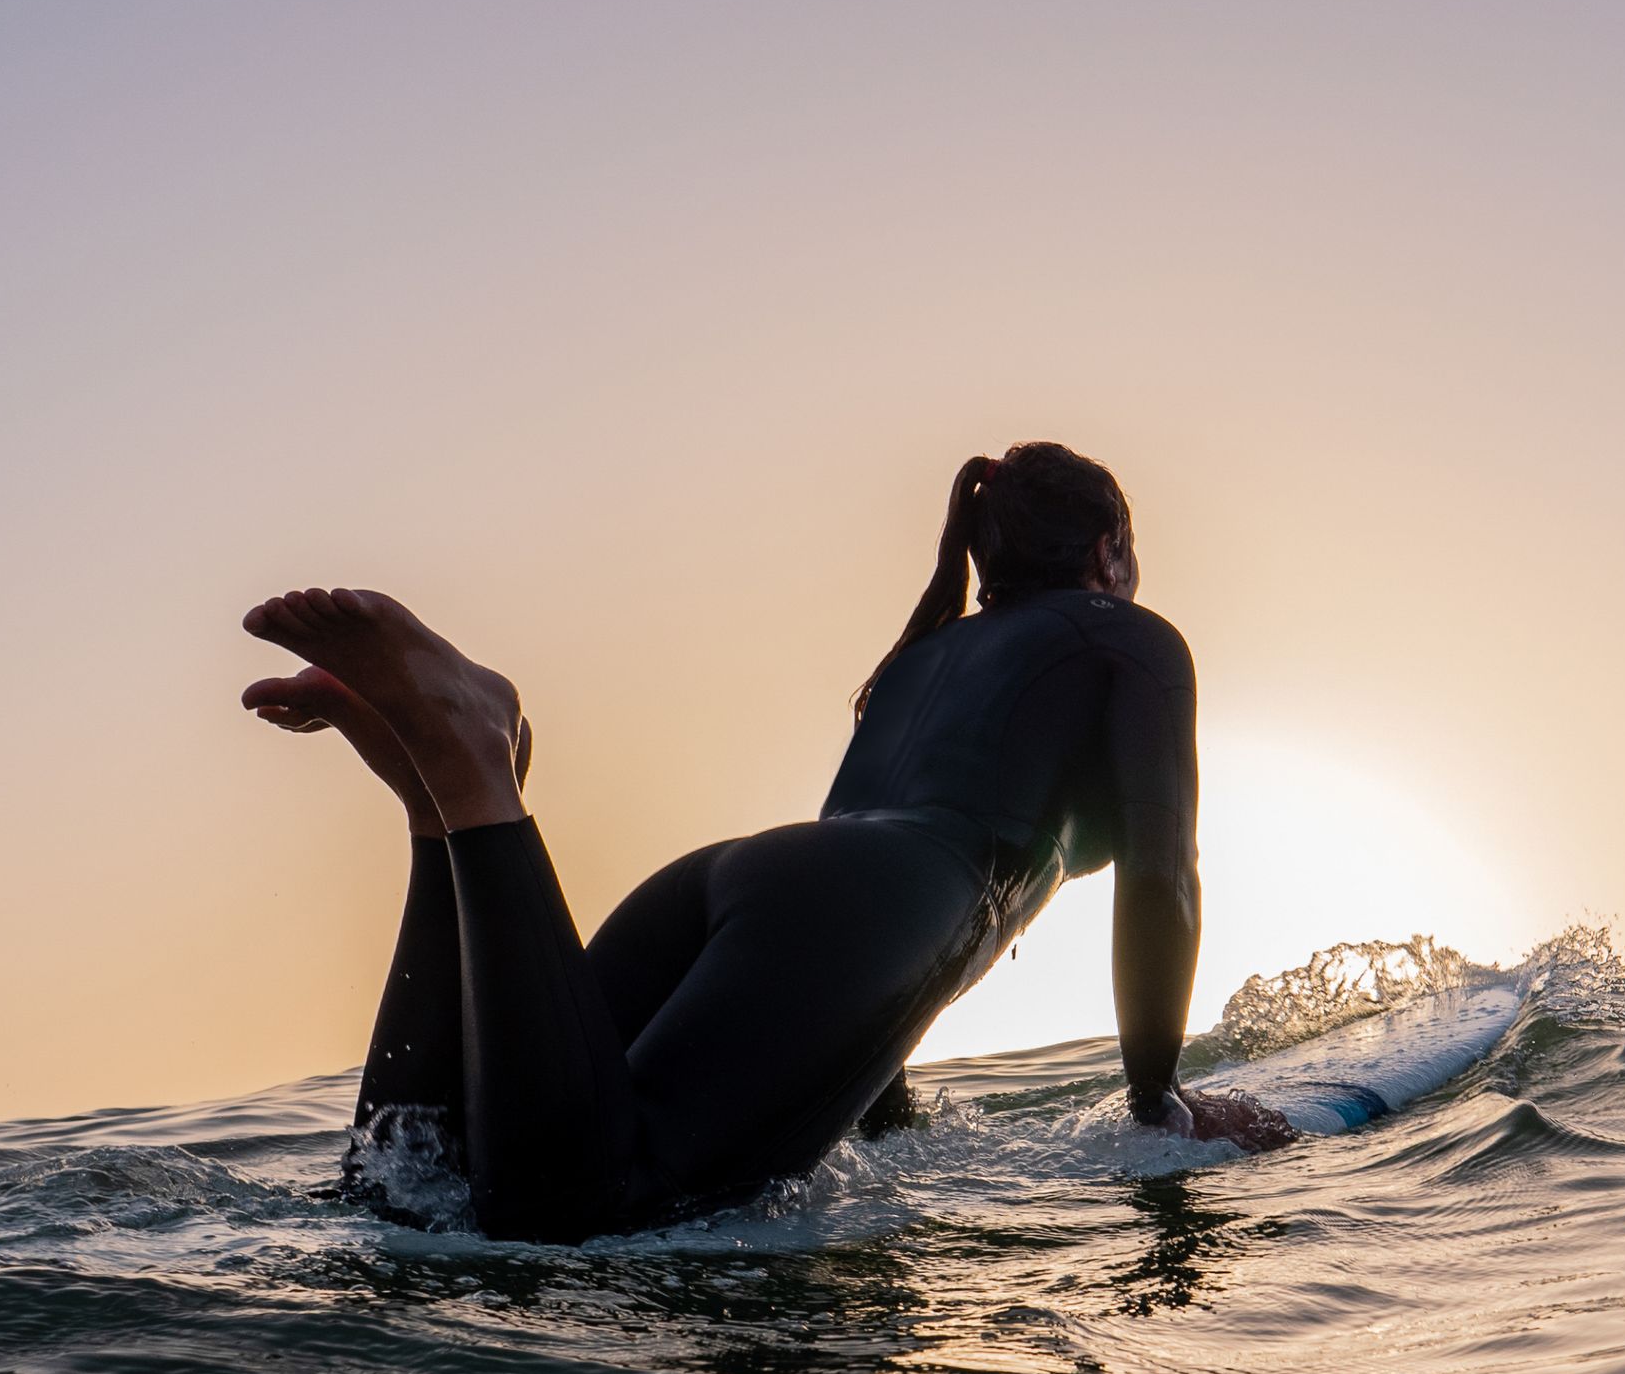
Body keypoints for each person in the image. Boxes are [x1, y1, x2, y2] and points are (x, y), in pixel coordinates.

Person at [241, 442, 1291, 1243]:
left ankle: (443, 801)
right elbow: (1161, 870)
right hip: (851, 907)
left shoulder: (921, 659)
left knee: (419, 1179)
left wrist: (878, 1125)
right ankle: (469, 770)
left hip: (738, 877)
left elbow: (846, 964)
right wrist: (1163, 1102)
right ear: (1111, 548)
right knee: (576, 1212)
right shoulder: (1128, 636)